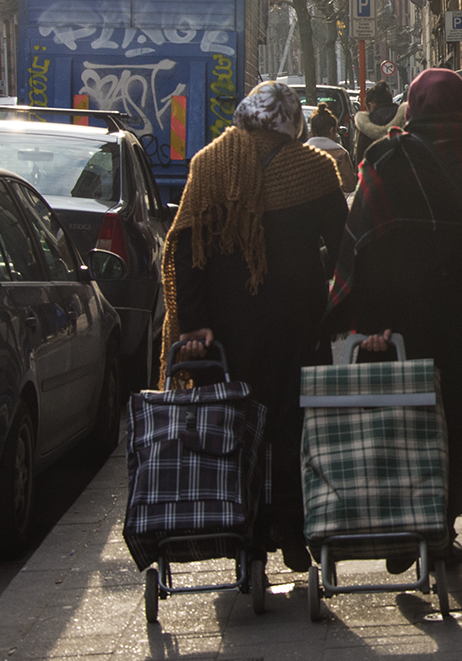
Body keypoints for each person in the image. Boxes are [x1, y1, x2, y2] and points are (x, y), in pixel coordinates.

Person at [323, 68, 462, 568]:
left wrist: (360, 316)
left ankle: (409, 526)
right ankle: (442, 529)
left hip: (402, 313)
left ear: (415, 106)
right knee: (458, 420)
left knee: (408, 418)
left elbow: (358, 240)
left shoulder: (386, 155)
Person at [161, 80, 348, 572]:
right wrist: (339, 307)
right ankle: (290, 525)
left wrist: (194, 324)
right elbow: (345, 250)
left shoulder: (209, 165)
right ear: (292, 121)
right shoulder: (314, 169)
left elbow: (185, 246)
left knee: (236, 420)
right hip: (297, 319)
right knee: (294, 422)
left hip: (228, 325)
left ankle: (244, 528)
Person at [306, 102, 357, 192]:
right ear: (331, 130)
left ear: (313, 130)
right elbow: (349, 186)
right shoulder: (341, 154)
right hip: (332, 203)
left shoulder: (302, 153)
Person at [352, 81, 398, 166]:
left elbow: (360, 157)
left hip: (374, 174)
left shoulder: (366, 123)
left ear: (371, 105)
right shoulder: (403, 117)